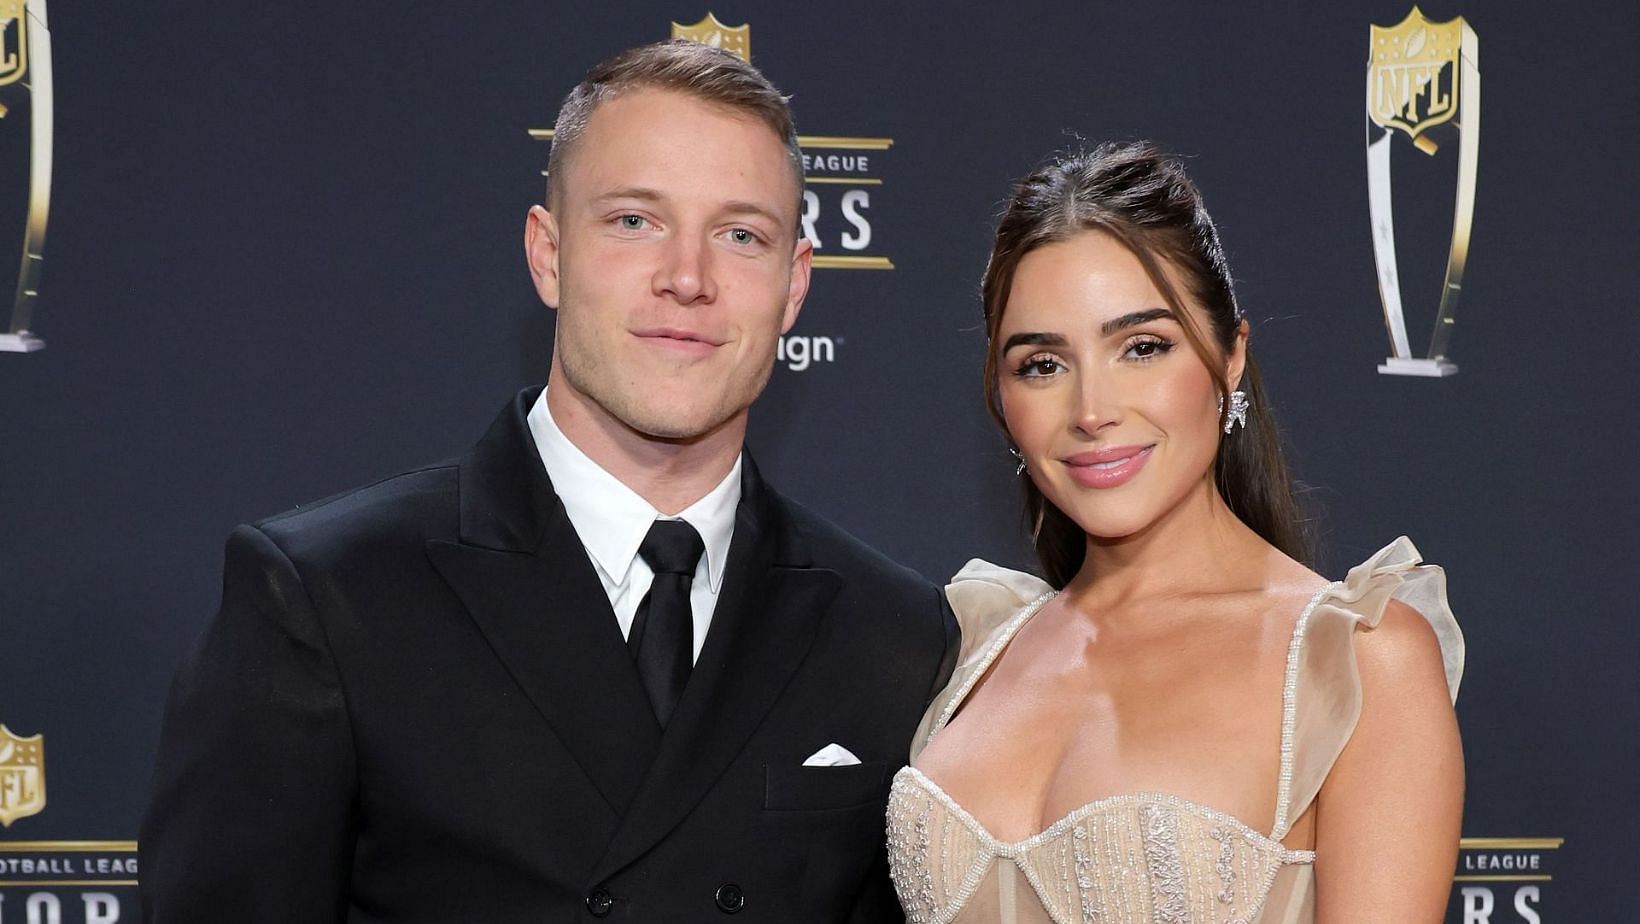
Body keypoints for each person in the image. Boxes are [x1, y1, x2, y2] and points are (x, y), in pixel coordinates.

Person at [141, 41, 957, 923]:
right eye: (634, 221)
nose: (688, 278)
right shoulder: (328, 597)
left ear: (794, 287)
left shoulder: (892, 632)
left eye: (741, 235)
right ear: (548, 253)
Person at [886, 143, 1464, 923]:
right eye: (1042, 364)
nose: (1092, 410)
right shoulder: (972, 648)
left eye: (1142, 348)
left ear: (1231, 358)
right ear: (1000, 395)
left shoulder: (1355, 657)